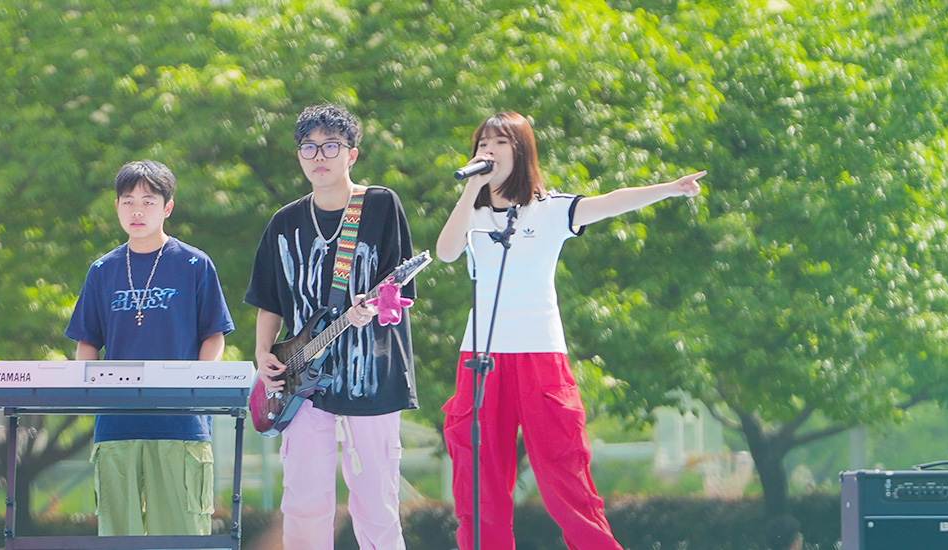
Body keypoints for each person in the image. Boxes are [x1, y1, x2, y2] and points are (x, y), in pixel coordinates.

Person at [433, 112, 704, 550]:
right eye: (482, 142)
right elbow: (446, 252)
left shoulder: (552, 208)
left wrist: (669, 188)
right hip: (480, 357)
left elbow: (611, 201)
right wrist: (471, 188)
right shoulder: (473, 213)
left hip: (540, 356)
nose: (488, 150)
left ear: (521, 151)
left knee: (565, 474)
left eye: (499, 142)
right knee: (478, 483)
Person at [248, 103, 420, 549]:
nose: (319, 155)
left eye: (330, 146)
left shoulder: (380, 205)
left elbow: (399, 294)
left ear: (352, 154)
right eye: (309, 147)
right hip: (300, 379)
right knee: (303, 500)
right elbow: (268, 300)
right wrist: (263, 353)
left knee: (375, 500)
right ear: (299, 155)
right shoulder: (284, 222)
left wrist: (372, 308)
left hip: (372, 374)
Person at [66, 160, 235, 536]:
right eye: (128, 202)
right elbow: (87, 341)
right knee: (119, 535)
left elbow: (214, 335)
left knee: (181, 535)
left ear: (167, 207)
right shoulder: (102, 270)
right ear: (117, 207)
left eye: (148, 202)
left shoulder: (194, 264)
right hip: (116, 425)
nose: (137, 211)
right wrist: (90, 390)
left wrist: (197, 386)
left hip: (181, 424)